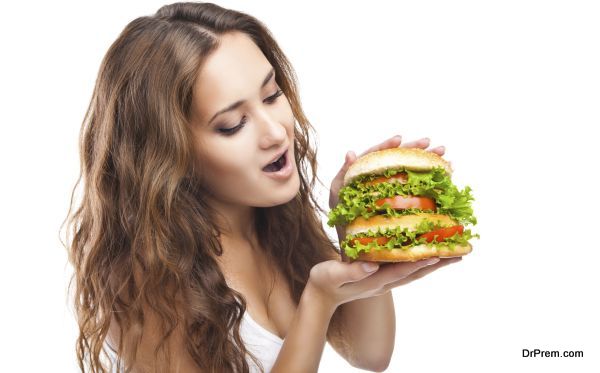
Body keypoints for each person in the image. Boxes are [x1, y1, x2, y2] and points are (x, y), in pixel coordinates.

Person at [63, 2, 458, 372]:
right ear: (169, 155)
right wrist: (317, 302)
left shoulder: (277, 221)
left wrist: (354, 228)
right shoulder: (142, 281)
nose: (275, 133)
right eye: (233, 124)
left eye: (271, 95)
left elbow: (371, 354)